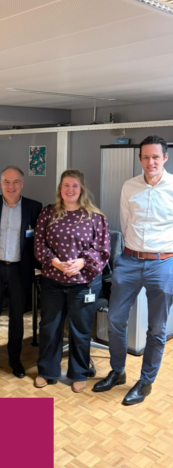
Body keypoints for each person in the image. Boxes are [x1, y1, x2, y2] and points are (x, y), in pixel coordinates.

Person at [93, 135, 173, 405]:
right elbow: (125, 223)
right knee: (115, 319)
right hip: (129, 260)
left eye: (156, 157)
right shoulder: (129, 186)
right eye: (146, 157)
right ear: (140, 159)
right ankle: (117, 371)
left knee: (157, 328)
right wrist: (135, 252)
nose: (151, 162)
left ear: (165, 158)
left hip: (163, 263)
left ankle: (146, 381)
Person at [34, 170, 110, 393]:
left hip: (83, 284)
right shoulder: (48, 213)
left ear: (81, 189)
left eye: (75, 185)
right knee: (49, 327)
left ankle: (79, 373)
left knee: (81, 330)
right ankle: (47, 371)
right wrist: (55, 262)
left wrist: (81, 262)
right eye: (66, 185)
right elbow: (39, 244)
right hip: (53, 281)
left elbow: (103, 250)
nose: (70, 190)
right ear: (60, 188)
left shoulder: (95, 217)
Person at [0, 166, 42, 380]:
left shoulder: (34, 207)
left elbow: (36, 238)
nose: (11, 186)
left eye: (15, 182)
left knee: (16, 317)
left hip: (19, 269)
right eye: (7, 181)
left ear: (22, 184)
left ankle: (15, 360)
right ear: (1, 184)